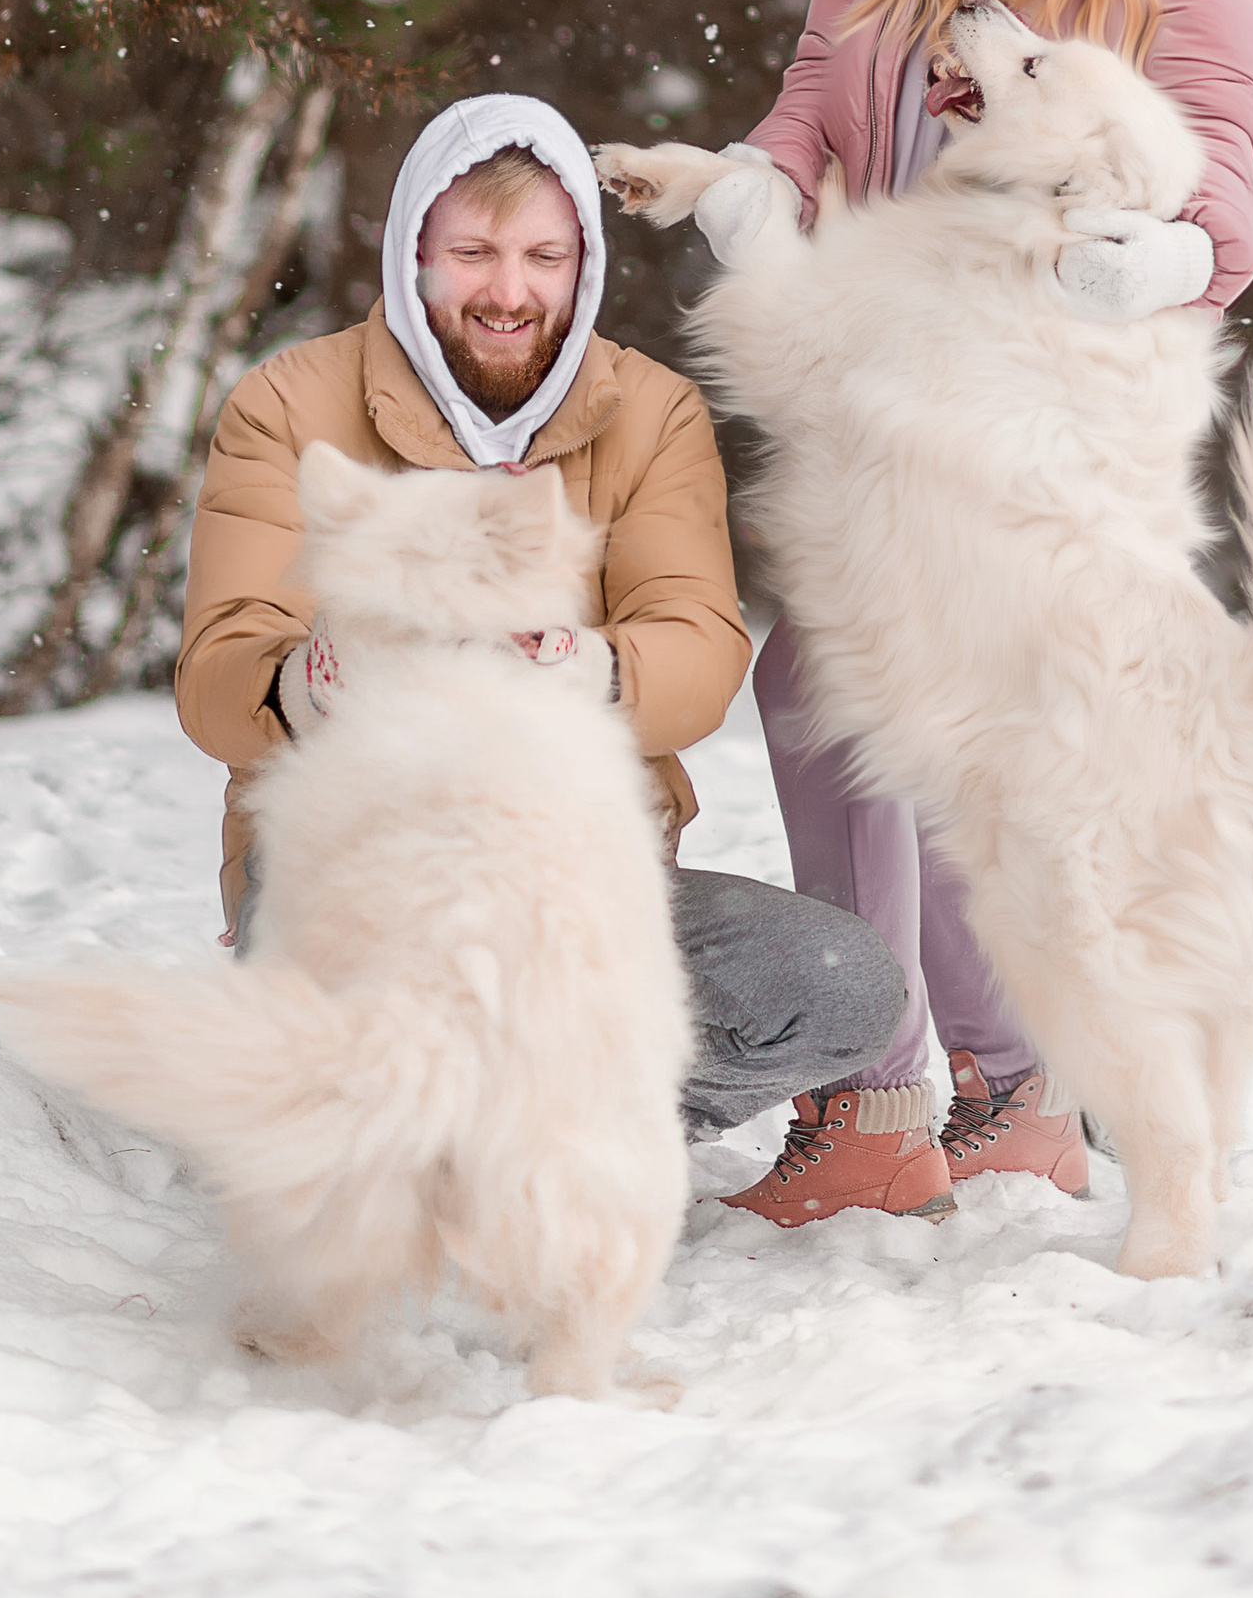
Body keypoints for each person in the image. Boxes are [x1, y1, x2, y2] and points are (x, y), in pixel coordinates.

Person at [693, 0, 1253, 1228]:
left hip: (1051, 377)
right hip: (893, 350)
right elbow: (819, 78)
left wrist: (1172, 253)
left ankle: (1011, 1089)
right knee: (819, 692)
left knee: (964, 719)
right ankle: (880, 1099)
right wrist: (759, 179)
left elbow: (1223, 147)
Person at [174, 91, 905, 1146]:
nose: (507, 291)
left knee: (836, 987)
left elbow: (698, 640)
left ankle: (544, 1129)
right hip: (348, 866)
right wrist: (310, 682)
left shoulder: (650, 412)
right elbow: (217, 675)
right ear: (414, 249)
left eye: (542, 257)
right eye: (472, 252)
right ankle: (373, 1117)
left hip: (580, 872)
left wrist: (589, 670)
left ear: (585, 262)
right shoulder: (290, 403)